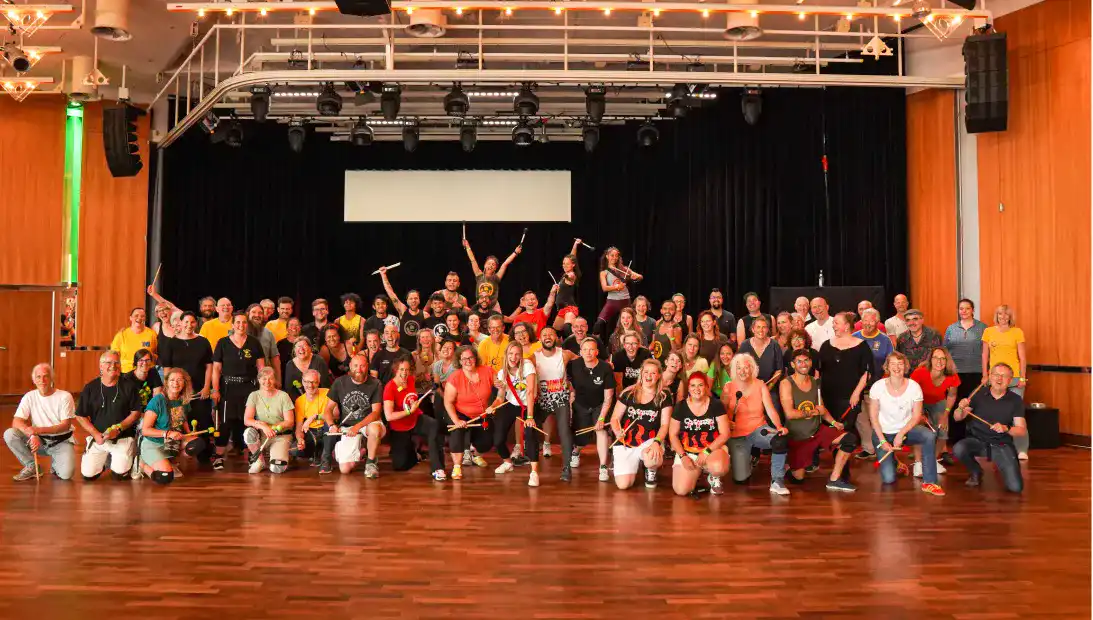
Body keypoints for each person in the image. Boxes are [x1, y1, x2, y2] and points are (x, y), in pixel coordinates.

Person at [869, 352, 945, 496]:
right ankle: (896, 463)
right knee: (889, 479)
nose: (897, 367)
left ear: (905, 366)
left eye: (900, 364)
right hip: (883, 433)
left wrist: (901, 434)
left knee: (929, 435)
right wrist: (883, 440)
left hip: (906, 431)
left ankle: (930, 482)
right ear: (887, 367)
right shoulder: (877, 387)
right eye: (893, 364)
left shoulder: (914, 387)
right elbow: (873, 417)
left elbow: (916, 416)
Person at [780, 349, 857, 491]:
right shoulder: (786, 383)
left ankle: (834, 479)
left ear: (810, 362)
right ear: (792, 364)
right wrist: (814, 412)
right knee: (798, 479)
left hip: (817, 431)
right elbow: (789, 414)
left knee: (849, 439)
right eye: (799, 361)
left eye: (806, 360)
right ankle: (788, 466)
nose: (803, 364)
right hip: (799, 436)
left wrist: (833, 422)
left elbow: (822, 408)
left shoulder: (814, 382)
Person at [952, 363, 1026, 493]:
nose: (999, 379)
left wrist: (1006, 428)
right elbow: (957, 417)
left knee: (1015, 488)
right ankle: (976, 471)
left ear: (1010, 380)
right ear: (990, 377)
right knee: (959, 448)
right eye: (996, 375)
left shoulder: (1015, 400)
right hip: (978, 441)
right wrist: (960, 408)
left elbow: (1021, 430)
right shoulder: (978, 394)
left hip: (1001, 444)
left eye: (1004, 376)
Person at [724, 354, 790, 495]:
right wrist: (727, 422)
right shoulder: (728, 387)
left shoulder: (760, 385)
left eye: (746, 367)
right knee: (741, 479)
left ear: (752, 368)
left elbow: (770, 409)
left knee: (780, 440)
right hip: (736, 435)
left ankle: (777, 481)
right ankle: (746, 458)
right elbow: (721, 413)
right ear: (734, 370)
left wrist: (779, 426)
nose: (743, 371)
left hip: (758, 429)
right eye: (739, 368)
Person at [211, 312, 266, 470]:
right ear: (232, 324)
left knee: (248, 421)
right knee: (225, 422)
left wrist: (262, 389)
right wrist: (215, 390)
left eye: (244, 322)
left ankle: (252, 455)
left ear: (247, 325)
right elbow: (216, 369)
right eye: (238, 322)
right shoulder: (223, 343)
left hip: (249, 387)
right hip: (228, 387)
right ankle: (219, 456)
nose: (241, 325)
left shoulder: (254, 343)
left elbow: (261, 368)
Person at [75, 351, 141, 480]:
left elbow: (136, 413)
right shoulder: (90, 387)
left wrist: (119, 428)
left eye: (116, 362)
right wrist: (95, 433)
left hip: (122, 437)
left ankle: (121, 458)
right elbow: (80, 416)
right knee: (88, 476)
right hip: (99, 438)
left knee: (119, 475)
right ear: (101, 366)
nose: (113, 366)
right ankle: (104, 460)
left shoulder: (129, 386)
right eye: (109, 363)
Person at [817, 313, 874, 462]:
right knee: (832, 430)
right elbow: (818, 371)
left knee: (845, 431)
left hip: (850, 398)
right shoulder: (826, 345)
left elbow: (867, 373)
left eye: (836, 323)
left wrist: (856, 393)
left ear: (847, 326)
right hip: (829, 397)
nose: (833, 325)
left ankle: (842, 466)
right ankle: (838, 464)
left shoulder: (861, 346)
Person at [4, 363, 76, 481]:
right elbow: (17, 421)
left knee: (66, 475)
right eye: (38, 377)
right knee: (10, 434)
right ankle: (32, 465)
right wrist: (32, 435)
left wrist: (37, 430)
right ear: (34, 380)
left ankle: (56, 464)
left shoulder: (65, 396)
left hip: (61, 441)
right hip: (39, 441)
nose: (42, 380)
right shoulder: (29, 396)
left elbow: (65, 426)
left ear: (52, 378)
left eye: (46, 376)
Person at [159, 312, 213, 461]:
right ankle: (174, 457)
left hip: (199, 391)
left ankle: (204, 455)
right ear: (181, 323)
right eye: (186, 322)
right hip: (178, 391)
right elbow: (167, 369)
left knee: (202, 420)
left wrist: (207, 386)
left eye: (192, 322)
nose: (189, 325)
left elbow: (209, 366)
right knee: (178, 422)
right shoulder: (171, 343)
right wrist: (169, 389)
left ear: (196, 324)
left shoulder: (203, 342)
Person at [609, 359, 671, 489]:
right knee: (623, 485)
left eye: (653, 373)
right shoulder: (628, 393)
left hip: (650, 440)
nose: (649, 376)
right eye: (646, 372)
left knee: (652, 459)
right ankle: (633, 463)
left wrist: (657, 442)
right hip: (626, 441)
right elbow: (614, 418)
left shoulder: (664, 396)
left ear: (659, 375)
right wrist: (617, 431)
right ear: (641, 373)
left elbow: (665, 425)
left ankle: (651, 470)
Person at [528, 327, 579, 485]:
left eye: (551, 334)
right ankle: (533, 470)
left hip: (560, 397)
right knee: (531, 429)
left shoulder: (565, 354)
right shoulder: (533, 357)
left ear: (556, 337)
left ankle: (566, 468)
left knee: (564, 430)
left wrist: (606, 364)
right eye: (544, 335)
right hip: (541, 398)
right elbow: (518, 369)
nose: (548, 337)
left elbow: (584, 361)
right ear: (540, 339)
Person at [321, 353, 384, 476]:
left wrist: (357, 427)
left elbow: (376, 413)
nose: (358, 369)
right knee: (344, 470)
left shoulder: (376, 383)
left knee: (374, 429)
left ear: (367, 366)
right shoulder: (339, 382)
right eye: (355, 366)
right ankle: (362, 451)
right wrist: (331, 425)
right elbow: (328, 409)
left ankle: (371, 463)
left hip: (368, 424)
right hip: (348, 427)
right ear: (350, 366)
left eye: (362, 366)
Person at [668, 372, 730, 495]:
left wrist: (707, 452)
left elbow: (725, 434)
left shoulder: (716, 405)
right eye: (693, 385)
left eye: (700, 385)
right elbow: (672, 435)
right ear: (688, 388)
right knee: (681, 490)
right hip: (688, 451)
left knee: (718, 467)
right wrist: (683, 456)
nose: (696, 389)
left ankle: (713, 476)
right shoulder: (680, 406)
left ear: (707, 387)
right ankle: (696, 473)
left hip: (711, 449)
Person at [384, 358, 445, 479]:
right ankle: (414, 452)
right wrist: (409, 411)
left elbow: (413, 395)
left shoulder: (411, 380)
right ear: (395, 370)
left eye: (407, 370)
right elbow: (389, 416)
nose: (404, 373)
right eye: (401, 369)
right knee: (400, 465)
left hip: (415, 419)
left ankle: (438, 468)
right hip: (400, 427)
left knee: (434, 425)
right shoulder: (390, 387)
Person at [982, 304, 1029, 459]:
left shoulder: (1017, 332)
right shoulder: (988, 332)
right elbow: (985, 356)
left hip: (1014, 377)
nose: (1003, 317)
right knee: (994, 412)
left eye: (1006, 314)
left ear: (1010, 317)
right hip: (994, 377)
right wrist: (985, 375)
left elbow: (1022, 357)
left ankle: (1021, 449)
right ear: (996, 316)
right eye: (1000, 314)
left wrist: (1022, 377)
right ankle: (995, 446)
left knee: (1017, 415)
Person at [443, 345, 496, 480]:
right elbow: (448, 402)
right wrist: (456, 420)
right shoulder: (455, 377)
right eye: (464, 359)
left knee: (487, 442)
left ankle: (476, 456)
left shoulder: (487, 371)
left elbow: (501, 387)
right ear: (460, 361)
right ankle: (457, 466)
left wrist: (497, 399)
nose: (468, 361)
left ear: (475, 358)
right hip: (459, 412)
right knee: (457, 434)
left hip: (482, 413)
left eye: (470, 357)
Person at [138, 367, 196, 484]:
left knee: (196, 444)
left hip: (172, 441)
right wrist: (168, 433)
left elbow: (183, 419)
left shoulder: (183, 400)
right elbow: (145, 430)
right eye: (172, 380)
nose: (176, 383)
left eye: (179, 380)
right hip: (153, 443)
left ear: (184, 383)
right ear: (166, 382)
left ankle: (170, 461)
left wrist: (189, 433)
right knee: (165, 477)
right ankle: (142, 464)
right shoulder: (157, 401)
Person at [568, 337, 615, 482]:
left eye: (591, 349)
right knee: (581, 439)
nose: (588, 352)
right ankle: (576, 451)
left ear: (597, 352)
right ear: (580, 352)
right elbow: (567, 382)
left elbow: (608, 397)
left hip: (600, 404)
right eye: (585, 349)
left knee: (601, 431)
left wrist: (601, 418)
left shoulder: (605, 368)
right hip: (581, 404)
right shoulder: (573, 365)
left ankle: (603, 466)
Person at [944, 298, 988, 445]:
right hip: (955, 373)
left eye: (967, 308)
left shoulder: (983, 328)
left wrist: (986, 373)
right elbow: (945, 351)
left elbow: (986, 352)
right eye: (961, 308)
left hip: (976, 372)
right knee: (956, 404)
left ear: (973, 310)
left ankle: (975, 437)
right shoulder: (951, 328)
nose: (964, 311)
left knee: (975, 404)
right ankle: (956, 438)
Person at [910, 347, 959, 476]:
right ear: (930, 360)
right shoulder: (920, 372)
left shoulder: (952, 375)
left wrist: (945, 414)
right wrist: (919, 413)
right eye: (936, 358)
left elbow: (952, 395)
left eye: (943, 358)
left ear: (947, 361)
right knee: (919, 428)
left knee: (943, 430)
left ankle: (933, 461)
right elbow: (910, 393)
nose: (939, 361)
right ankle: (918, 463)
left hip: (939, 402)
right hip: (919, 401)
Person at [492, 342, 537, 476]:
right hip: (511, 404)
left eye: (517, 354)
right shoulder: (502, 373)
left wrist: (530, 417)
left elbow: (530, 392)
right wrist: (492, 406)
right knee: (498, 439)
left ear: (521, 356)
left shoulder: (527, 366)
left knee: (530, 436)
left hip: (527, 405)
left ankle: (534, 472)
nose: (513, 357)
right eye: (511, 353)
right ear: (506, 355)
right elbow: (500, 397)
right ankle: (507, 462)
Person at [242, 367, 295, 474]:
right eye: (264, 378)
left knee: (277, 468)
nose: (267, 382)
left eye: (270, 378)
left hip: (280, 436)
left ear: (275, 380)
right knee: (248, 433)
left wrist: (272, 428)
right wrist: (263, 426)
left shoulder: (283, 396)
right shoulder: (254, 395)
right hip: (262, 435)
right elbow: (247, 420)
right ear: (259, 380)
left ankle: (278, 454)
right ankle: (259, 461)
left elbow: (290, 421)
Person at [123, 348, 164, 479]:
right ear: (135, 362)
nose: (144, 363)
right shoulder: (127, 378)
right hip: (132, 413)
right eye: (141, 360)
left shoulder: (153, 373)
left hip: (149, 412)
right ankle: (137, 463)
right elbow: (126, 403)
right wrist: (141, 416)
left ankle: (155, 459)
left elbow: (157, 396)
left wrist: (151, 415)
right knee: (141, 429)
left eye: (147, 360)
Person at [594, 246, 643, 338]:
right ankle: (595, 342)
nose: (614, 257)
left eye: (616, 256)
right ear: (607, 256)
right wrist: (616, 287)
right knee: (599, 323)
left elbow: (640, 276)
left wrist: (636, 277)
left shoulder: (624, 269)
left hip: (625, 301)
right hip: (612, 302)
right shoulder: (604, 272)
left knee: (629, 325)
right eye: (612, 255)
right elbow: (604, 288)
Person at [464, 235, 522, 312]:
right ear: (484, 265)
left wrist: (515, 252)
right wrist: (467, 246)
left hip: (494, 306)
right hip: (481, 305)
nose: (490, 266)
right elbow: (473, 260)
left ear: (495, 268)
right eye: (489, 263)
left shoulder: (496, 277)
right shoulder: (479, 275)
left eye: (493, 265)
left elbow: (505, 264)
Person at [378, 268, 426, 351]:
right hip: (403, 350)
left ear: (419, 300)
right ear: (407, 301)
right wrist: (383, 275)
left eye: (415, 298)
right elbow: (390, 292)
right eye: (411, 299)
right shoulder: (403, 310)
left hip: (419, 351)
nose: (413, 301)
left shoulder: (425, 315)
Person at [293, 369, 331, 467]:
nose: (310, 385)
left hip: (326, 429)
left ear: (318, 382)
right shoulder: (299, 401)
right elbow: (299, 426)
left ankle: (324, 455)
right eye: (307, 382)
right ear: (302, 382)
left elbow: (335, 414)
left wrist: (313, 417)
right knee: (295, 450)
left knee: (328, 427)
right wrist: (300, 439)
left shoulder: (327, 393)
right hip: (312, 432)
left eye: (314, 382)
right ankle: (316, 453)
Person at [737, 315, 784, 384]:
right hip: (749, 384)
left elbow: (779, 370)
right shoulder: (744, 345)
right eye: (758, 327)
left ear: (767, 330)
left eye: (764, 327)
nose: (761, 330)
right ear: (753, 329)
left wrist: (769, 386)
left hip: (770, 385)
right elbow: (738, 367)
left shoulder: (774, 345)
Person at [110, 307, 158, 373]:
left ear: (145, 318)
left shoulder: (152, 334)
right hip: (126, 373)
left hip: (147, 373)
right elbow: (113, 356)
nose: (139, 318)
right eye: (136, 315)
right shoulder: (121, 335)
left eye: (142, 316)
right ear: (130, 318)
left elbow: (157, 354)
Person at [244, 304, 281, 387]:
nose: (257, 315)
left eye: (260, 313)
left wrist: (278, 380)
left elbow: (275, 358)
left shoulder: (268, 333)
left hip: (265, 381)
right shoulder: (238, 332)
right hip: (243, 380)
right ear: (247, 314)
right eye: (254, 312)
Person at [284, 337, 331, 402]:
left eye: (304, 346)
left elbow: (325, 386)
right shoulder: (290, 365)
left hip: (319, 399)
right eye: (298, 346)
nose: (301, 349)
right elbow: (289, 389)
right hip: (299, 401)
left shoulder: (319, 361)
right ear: (294, 350)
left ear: (310, 348)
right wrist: (299, 402)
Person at [277, 318, 307, 386]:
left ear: (300, 327)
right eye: (291, 325)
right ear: (287, 328)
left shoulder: (305, 343)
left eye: (296, 325)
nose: (294, 327)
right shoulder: (280, 344)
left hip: (303, 379)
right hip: (285, 379)